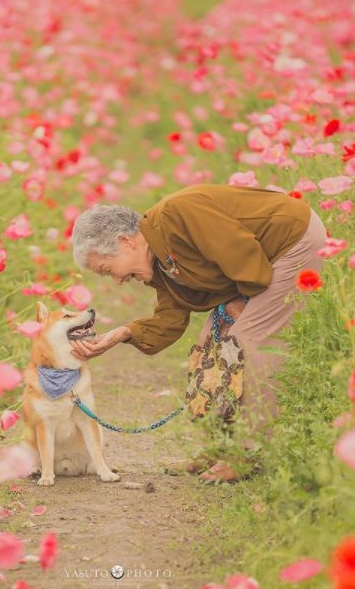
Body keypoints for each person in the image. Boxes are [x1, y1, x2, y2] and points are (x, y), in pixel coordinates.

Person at [69, 184, 327, 482]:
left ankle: (251, 454)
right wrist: (123, 333)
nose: (115, 280)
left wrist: (241, 298)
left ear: (126, 241)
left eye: (106, 269)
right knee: (209, 344)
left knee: (249, 339)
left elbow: (243, 254)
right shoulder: (157, 256)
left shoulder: (178, 214)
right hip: (256, 266)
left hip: (292, 242)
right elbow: (171, 315)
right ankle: (221, 447)